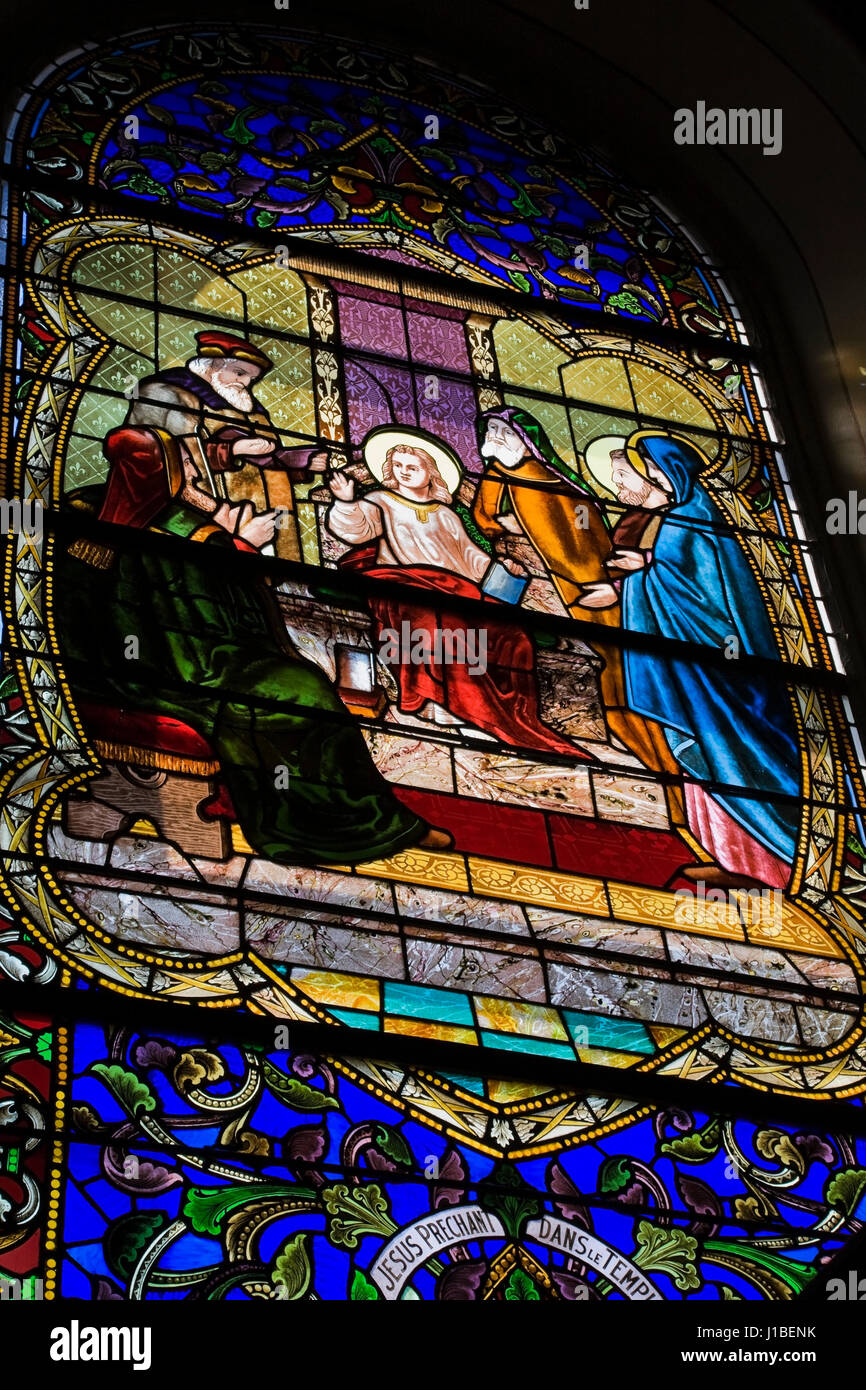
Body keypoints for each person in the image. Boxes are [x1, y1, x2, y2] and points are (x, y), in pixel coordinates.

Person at [57, 333, 451, 864]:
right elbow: (184, 617)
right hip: (178, 670)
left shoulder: (123, 515)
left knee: (301, 687)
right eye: (188, 464)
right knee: (297, 692)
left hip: (194, 659)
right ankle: (327, 827)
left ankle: (361, 817)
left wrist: (243, 534)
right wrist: (243, 546)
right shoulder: (141, 518)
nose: (199, 472)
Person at [577, 430, 800, 889]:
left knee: (733, 754)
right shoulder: (683, 518)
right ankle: (736, 860)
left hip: (719, 675)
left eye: (653, 472)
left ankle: (772, 860)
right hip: (695, 669)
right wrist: (626, 587)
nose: (650, 480)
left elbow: (708, 603)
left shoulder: (692, 520)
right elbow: (679, 589)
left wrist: (638, 579)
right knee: (707, 758)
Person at [472, 408, 686, 820]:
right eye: (491, 432)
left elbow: (587, 536)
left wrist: (615, 583)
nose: (496, 439)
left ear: (525, 437)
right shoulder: (495, 478)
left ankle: (648, 743)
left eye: (503, 431)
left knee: (616, 664)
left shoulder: (560, 482)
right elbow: (486, 519)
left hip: (598, 590)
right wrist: (505, 532)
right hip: (558, 584)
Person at [326, 427, 585, 756]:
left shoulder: (446, 515)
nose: (404, 472)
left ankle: (489, 710)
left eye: (413, 466)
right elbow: (355, 529)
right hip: (403, 582)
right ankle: (439, 701)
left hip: (452, 587)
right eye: (399, 465)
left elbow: (469, 559)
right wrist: (346, 501)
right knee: (433, 622)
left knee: (510, 632)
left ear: (430, 473)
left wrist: (502, 570)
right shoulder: (380, 501)